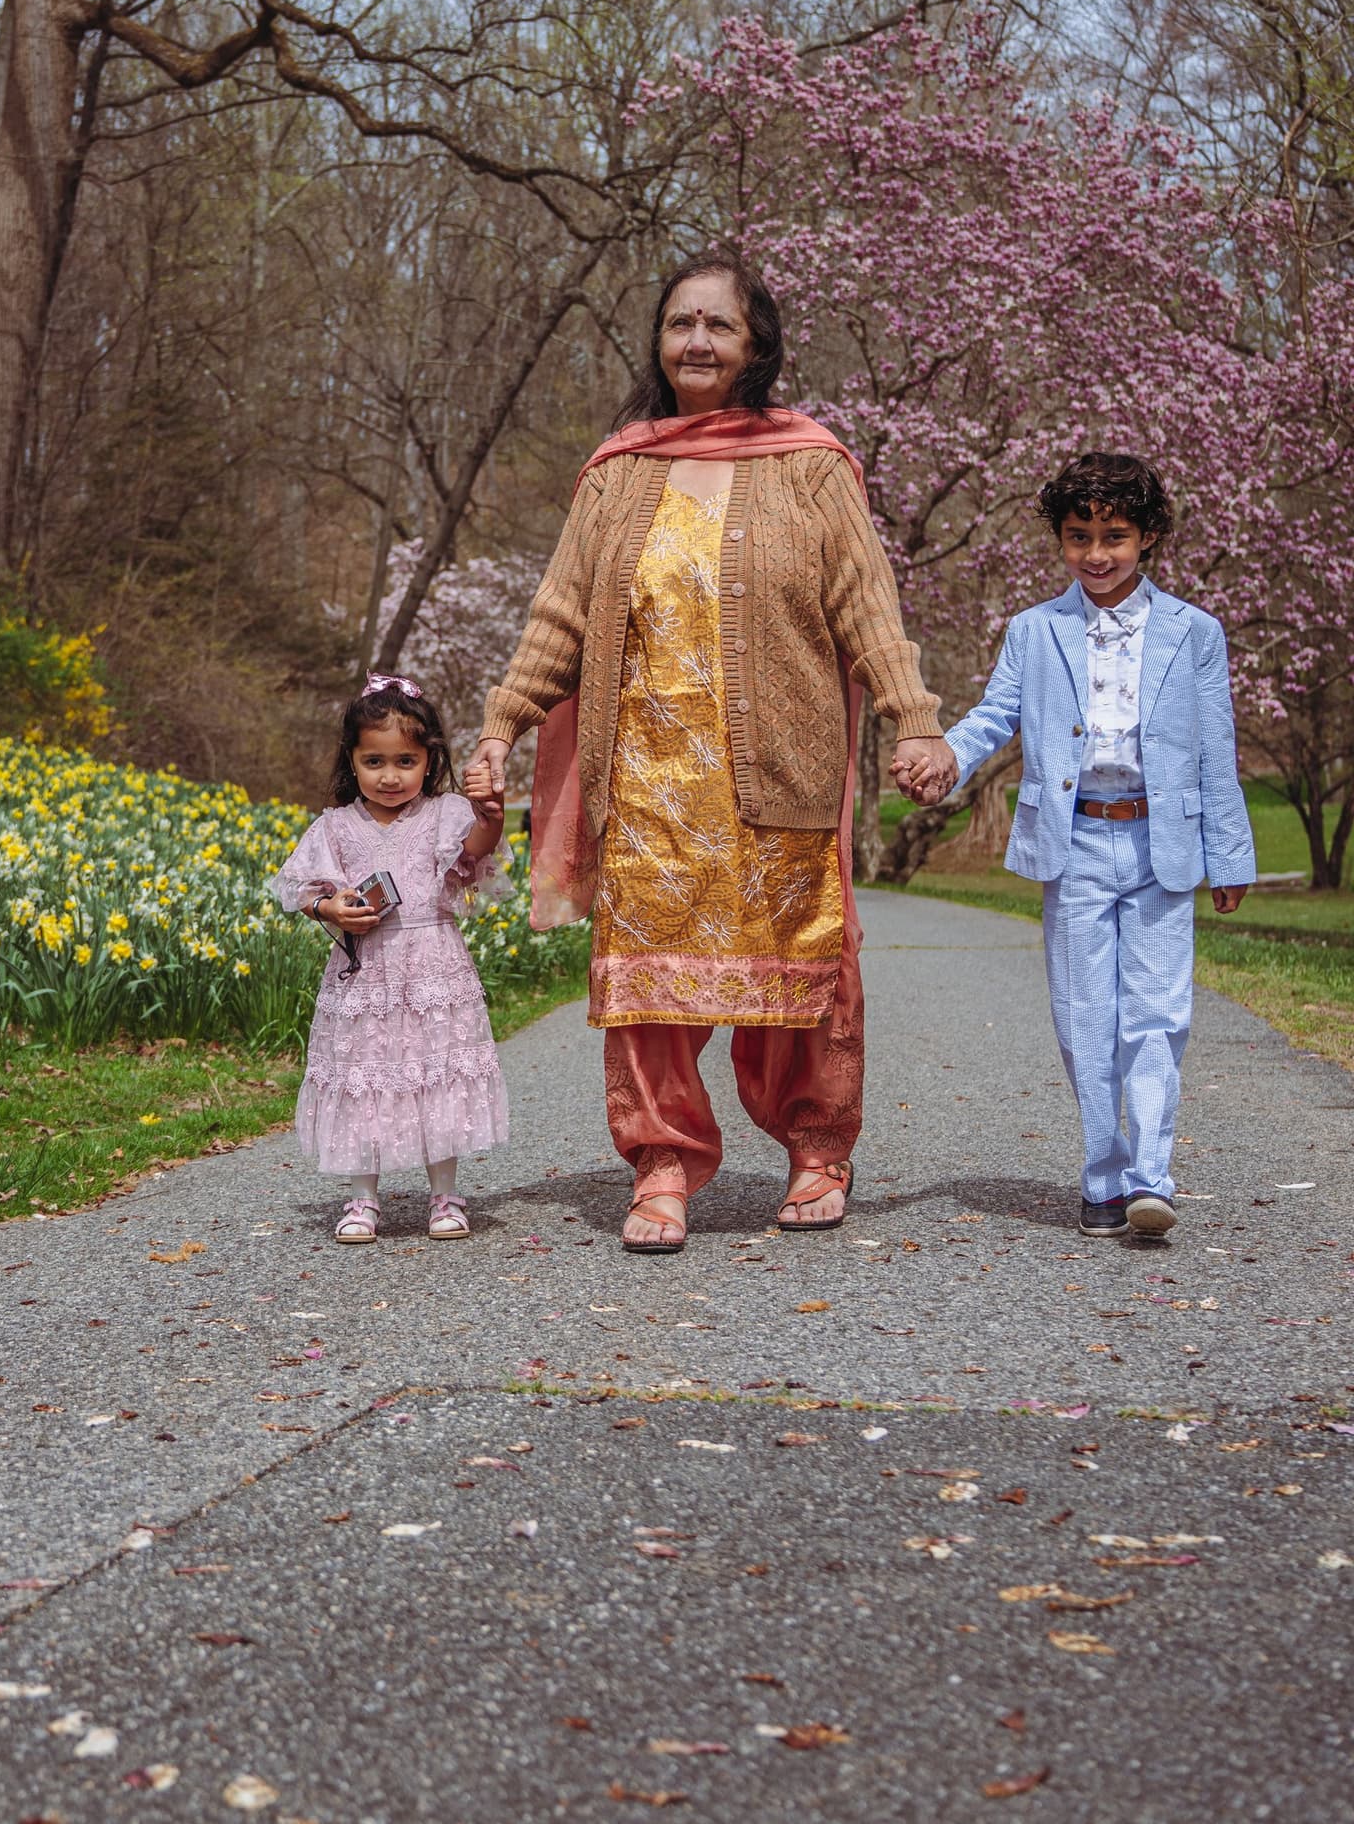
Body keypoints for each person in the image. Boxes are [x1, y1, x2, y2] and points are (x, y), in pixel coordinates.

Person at [465, 252, 943, 1252]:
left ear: (755, 345)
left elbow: (865, 604)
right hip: (643, 783)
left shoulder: (809, 464)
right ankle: (663, 1161)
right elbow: (559, 616)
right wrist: (499, 725)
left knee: (801, 973)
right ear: (656, 338)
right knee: (647, 984)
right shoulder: (617, 471)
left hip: (780, 773)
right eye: (679, 322)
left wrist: (914, 715)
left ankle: (817, 1146)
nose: (695, 341)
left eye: (717, 326)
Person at [896, 452, 1253, 1241]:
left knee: (1157, 1014)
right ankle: (1102, 1174)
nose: (1096, 553)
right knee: (1085, 1015)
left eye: (1115, 536)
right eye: (1078, 535)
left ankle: (1150, 1177)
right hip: (1076, 840)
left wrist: (1229, 856)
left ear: (1150, 536)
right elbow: (995, 716)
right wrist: (944, 757)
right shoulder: (1036, 630)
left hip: (1163, 842)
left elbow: (1215, 749)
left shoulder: (1195, 633)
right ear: (1059, 539)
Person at [273, 674, 510, 1243]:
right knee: (363, 1072)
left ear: (429, 761)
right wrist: (332, 908)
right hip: (365, 972)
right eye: (373, 761)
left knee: (435, 1069)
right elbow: (303, 888)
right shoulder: (334, 825)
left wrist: (492, 817)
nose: (390, 775)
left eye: (405, 760)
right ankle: (362, 1199)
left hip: (431, 962)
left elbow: (472, 856)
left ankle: (445, 1195)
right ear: (351, 762)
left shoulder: (446, 812)